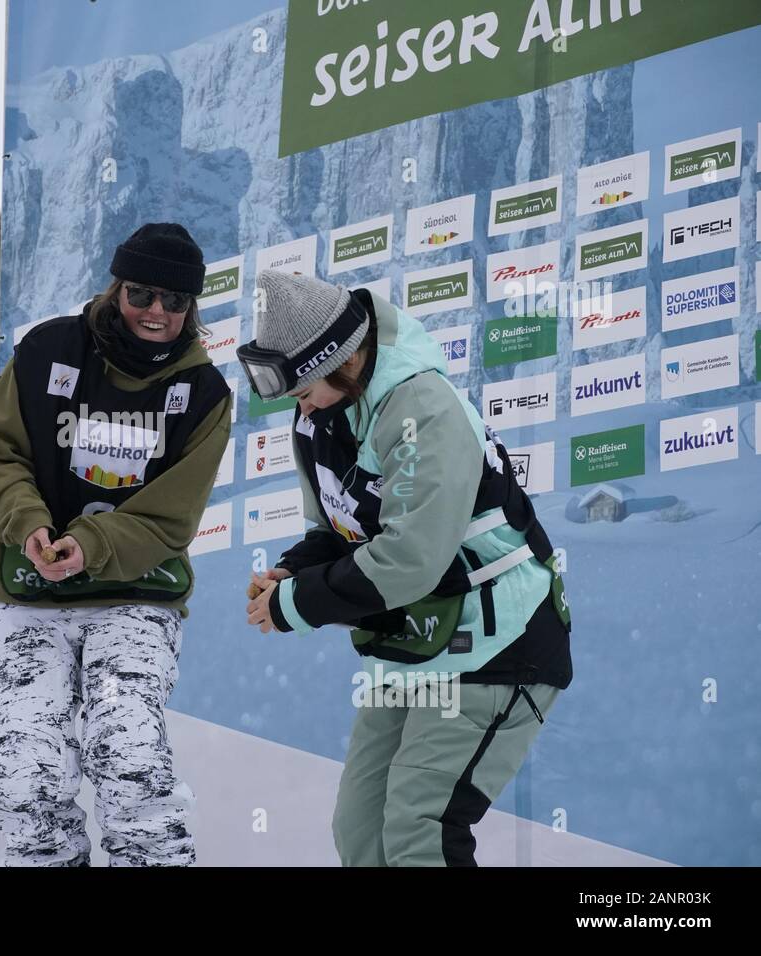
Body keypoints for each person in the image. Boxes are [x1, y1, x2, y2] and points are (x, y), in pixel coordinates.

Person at [239, 271, 572, 866]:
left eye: (301, 385)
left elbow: (411, 556)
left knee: (421, 831)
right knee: (363, 834)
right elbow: (335, 532)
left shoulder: (420, 406)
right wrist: (292, 573)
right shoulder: (319, 417)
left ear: (339, 359)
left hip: (501, 640)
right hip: (416, 645)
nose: (295, 402)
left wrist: (299, 605)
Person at [0, 223, 233, 865]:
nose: (156, 313)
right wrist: (29, 526)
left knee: (128, 751)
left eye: (175, 301)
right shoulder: (46, 351)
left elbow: (169, 519)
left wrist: (88, 544)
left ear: (191, 308)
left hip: (134, 598)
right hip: (29, 597)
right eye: (142, 294)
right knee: (24, 769)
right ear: (117, 289)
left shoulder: (204, 394)